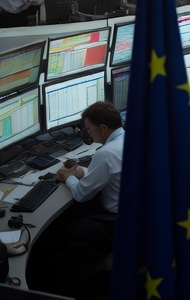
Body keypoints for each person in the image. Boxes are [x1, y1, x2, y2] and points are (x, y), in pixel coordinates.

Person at [32, 101, 125, 297]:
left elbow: (82, 194)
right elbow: (108, 172)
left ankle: (101, 266)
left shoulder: (106, 153)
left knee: (71, 230)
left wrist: (69, 177)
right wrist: (81, 171)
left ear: (102, 128)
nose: (88, 134)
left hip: (119, 220)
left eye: (90, 129)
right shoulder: (127, 139)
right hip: (138, 212)